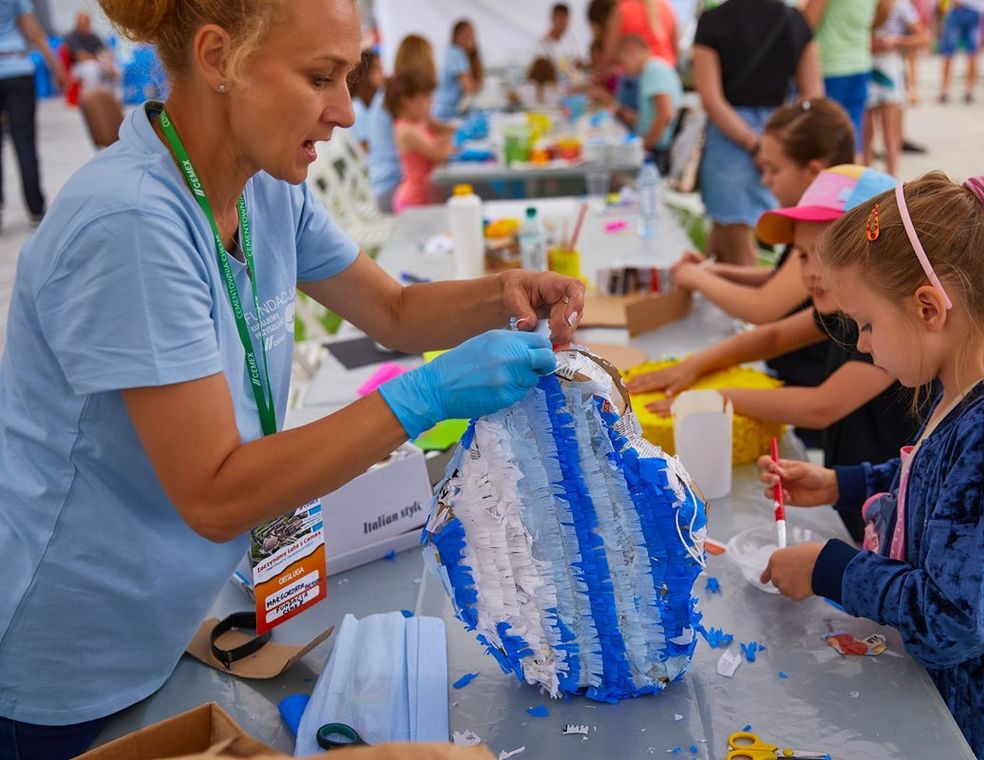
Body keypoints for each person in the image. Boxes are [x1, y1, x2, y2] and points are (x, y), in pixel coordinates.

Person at [0, 1, 585, 757]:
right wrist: (427, 395)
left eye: (349, 77)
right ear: (218, 59)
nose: (344, 110)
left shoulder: (264, 184)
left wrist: (505, 290)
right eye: (320, 78)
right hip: (68, 668)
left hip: (162, 617)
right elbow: (216, 493)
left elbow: (396, 311)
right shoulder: (133, 225)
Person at [758, 171, 984, 757]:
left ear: (928, 307)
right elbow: (938, 482)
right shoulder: (971, 393)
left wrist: (829, 570)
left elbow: (955, 618)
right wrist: (842, 482)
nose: (862, 343)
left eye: (865, 324)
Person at [630, 166, 922, 543]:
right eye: (802, 255)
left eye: (827, 253)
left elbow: (821, 406)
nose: (811, 271)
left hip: (891, 511)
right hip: (848, 487)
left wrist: (718, 397)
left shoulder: (890, 327)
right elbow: (773, 337)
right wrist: (693, 366)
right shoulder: (844, 309)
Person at [669, 97, 855, 418]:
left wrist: (696, 278)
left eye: (773, 169)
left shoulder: (833, 229)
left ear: (813, 172)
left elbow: (763, 308)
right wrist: (714, 271)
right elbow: (779, 281)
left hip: (801, 388)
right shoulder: (815, 233)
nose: (765, 180)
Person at [693, 0, 822, 266]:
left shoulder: (713, 21)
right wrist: (780, 141)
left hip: (729, 137)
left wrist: (754, 145)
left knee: (737, 244)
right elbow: (813, 95)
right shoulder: (794, 20)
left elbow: (711, 100)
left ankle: (752, 305)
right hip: (782, 131)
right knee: (728, 239)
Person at [0, 0, 66, 228]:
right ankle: (36, 209)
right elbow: (34, 32)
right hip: (17, 66)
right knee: (25, 142)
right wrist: (57, 68)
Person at [803, 0, 878, 152]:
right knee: (851, 143)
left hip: (829, 66)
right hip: (859, 64)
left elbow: (804, 25)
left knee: (822, 144)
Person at [864, 0, 929, 175]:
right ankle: (866, 181)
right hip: (865, 67)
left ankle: (892, 183)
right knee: (866, 135)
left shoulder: (900, 5)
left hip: (889, 70)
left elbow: (923, 37)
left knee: (890, 135)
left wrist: (896, 42)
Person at [612, 34, 681, 170]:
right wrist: (636, 118)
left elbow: (665, 114)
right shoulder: (652, 69)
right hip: (655, 146)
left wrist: (644, 147)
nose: (623, 69)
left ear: (631, 51)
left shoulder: (653, 69)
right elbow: (658, 114)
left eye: (623, 62)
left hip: (657, 150)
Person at [388, 68, 453, 212]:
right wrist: (445, 141)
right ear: (407, 101)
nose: (431, 103)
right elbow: (441, 155)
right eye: (426, 98)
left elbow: (444, 142)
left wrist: (444, 140)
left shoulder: (418, 124)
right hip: (413, 202)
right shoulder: (407, 131)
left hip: (426, 198)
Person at [938, 0, 984, 103]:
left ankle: (969, 90)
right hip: (960, 10)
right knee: (948, 52)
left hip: (974, 11)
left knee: (971, 53)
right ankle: (945, 90)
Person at [434, 19, 482, 120]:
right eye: (466, 35)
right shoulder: (457, 53)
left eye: (472, 35)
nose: (471, 39)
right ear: (456, 37)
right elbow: (469, 88)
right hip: (443, 113)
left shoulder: (451, 52)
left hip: (442, 111)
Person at [64, 10, 118, 93]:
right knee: (91, 68)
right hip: (77, 67)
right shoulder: (72, 37)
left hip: (97, 63)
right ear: (77, 23)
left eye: (86, 23)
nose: (84, 25)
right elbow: (80, 56)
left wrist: (108, 64)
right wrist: (99, 59)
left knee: (116, 70)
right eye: (82, 23)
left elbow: (104, 52)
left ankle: (109, 97)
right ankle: (92, 96)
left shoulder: (94, 36)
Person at [349, 48, 382, 152]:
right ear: (365, 74)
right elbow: (365, 149)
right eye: (378, 69)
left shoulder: (373, 104)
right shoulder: (357, 108)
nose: (382, 74)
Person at [537, 2, 582, 76]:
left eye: (566, 18)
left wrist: (579, 65)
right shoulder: (542, 45)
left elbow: (577, 62)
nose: (564, 22)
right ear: (552, 18)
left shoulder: (571, 41)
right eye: (561, 17)